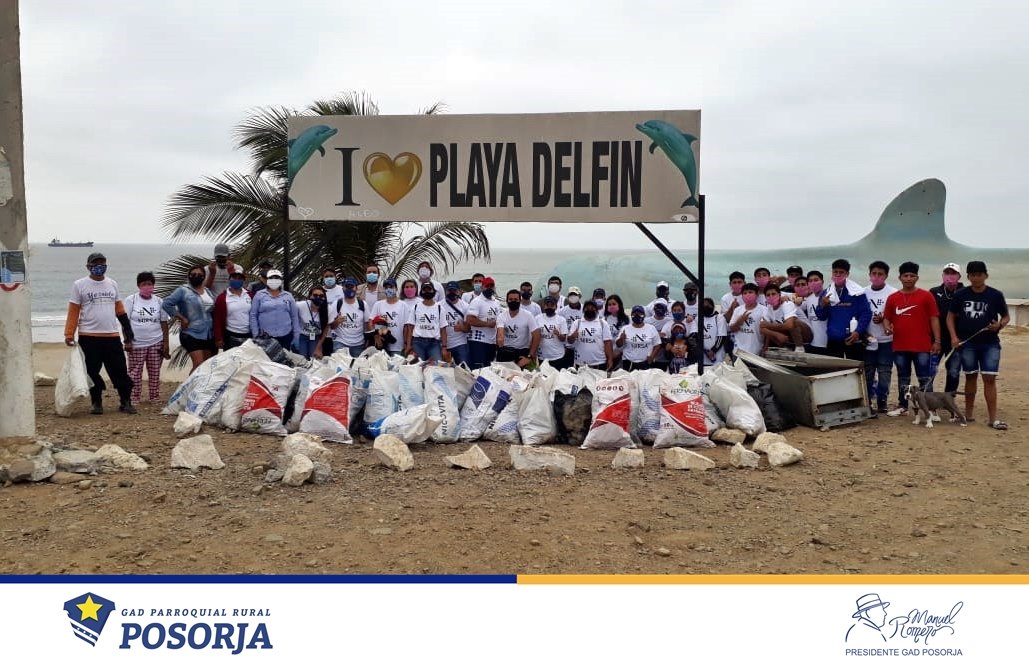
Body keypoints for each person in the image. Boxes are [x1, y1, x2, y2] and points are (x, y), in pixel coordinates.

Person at [64, 252, 137, 414]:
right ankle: (96, 402)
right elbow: (73, 311)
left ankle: (125, 401)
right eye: (95, 263)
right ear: (88, 266)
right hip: (88, 336)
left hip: (112, 336)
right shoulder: (79, 285)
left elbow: (120, 311)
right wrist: (69, 334)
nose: (99, 266)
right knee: (91, 371)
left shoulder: (112, 284)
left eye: (102, 263)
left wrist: (128, 335)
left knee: (119, 370)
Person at [946, 261, 1010, 429]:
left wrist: (999, 325)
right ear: (968, 277)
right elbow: (950, 317)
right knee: (970, 377)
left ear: (986, 275)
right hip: (967, 344)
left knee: (989, 379)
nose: (976, 278)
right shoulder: (960, 294)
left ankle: (993, 418)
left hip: (990, 344)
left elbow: (1006, 316)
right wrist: (954, 337)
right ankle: (968, 415)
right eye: (972, 275)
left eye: (979, 275)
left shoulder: (995, 295)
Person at [882, 261, 940, 417]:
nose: (908, 278)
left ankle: (931, 409)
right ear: (900, 278)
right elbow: (886, 318)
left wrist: (937, 341)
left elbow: (934, 318)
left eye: (912, 276)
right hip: (900, 346)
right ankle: (903, 406)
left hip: (922, 346)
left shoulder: (926, 296)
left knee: (924, 378)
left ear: (917, 278)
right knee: (903, 378)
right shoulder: (893, 298)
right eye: (905, 276)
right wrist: (887, 327)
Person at [123, 271, 170, 405]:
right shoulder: (131, 300)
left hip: (156, 341)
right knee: (134, 372)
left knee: (155, 371)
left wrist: (166, 343)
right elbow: (125, 322)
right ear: (138, 285)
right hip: (136, 343)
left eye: (149, 284)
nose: (147, 286)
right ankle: (134, 397)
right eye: (144, 284)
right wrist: (127, 341)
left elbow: (164, 323)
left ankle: (154, 396)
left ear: (153, 285)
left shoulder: (159, 301)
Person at [162, 264, 217, 373]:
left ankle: (201, 385)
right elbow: (166, 304)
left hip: (208, 334)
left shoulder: (207, 291)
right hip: (191, 333)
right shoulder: (183, 290)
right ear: (189, 276)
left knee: (207, 366)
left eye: (200, 275)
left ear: (204, 277)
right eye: (193, 274)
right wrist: (181, 318)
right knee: (198, 365)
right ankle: (190, 384)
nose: (196, 276)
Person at [815, 259, 871, 360]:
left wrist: (858, 331)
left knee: (856, 368)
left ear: (847, 274)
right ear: (832, 272)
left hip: (853, 338)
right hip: (833, 339)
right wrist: (822, 305)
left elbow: (866, 313)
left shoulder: (857, 292)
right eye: (835, 272)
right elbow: (821, 317)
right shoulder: (826, 293)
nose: (838, 275)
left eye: (841, 272)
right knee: (833, 368)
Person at [863, 261, 898, 416]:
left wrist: (885, 319)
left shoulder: (893, 293)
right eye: (874, 273)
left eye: (880, 274)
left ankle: (882, 401)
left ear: (886, 276)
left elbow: (898, 316)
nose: (877, 277)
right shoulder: (862, 292)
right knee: (868, 372)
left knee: (885, 372)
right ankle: (868, 401)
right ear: (869, 275)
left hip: (886, 341)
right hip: (868, 340)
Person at [929, 262, 965, 393]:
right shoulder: (934, 292)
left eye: (953, 273)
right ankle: (928, 397)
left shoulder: (966, 292)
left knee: (953, 371)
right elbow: (930, 315)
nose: (950, 276)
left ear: (959, 276)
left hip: (956, 340)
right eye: (947, 273)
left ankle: (949, 398)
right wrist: (935, 340)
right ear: (943, 275)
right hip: (936, 339)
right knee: (930, 371)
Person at [249, 269, 300, 351]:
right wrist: (256, 334)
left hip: (285, 336)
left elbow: (294, 316)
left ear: (281, 280)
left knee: (284, 357)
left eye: (277, 278)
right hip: (265, 337)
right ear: (267, 280)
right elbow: (253, 315)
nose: (274, 280)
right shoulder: (259, 295)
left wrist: (296, 335)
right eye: (271, 278)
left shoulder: (288, 296)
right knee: (267, 358)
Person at [567, 296, 613, 370]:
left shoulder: (602, 323)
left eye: (592, 308)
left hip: (599, 363)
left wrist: (610, 359)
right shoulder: (577, 323)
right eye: (587, 308)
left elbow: (607, 343)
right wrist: (573, 336)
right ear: (583, 310)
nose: (589, 309)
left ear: (597, 310)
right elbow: (569, 341)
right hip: (580, 364)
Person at [496, 289, 541, 367]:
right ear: (507, 301)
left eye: (516, 299)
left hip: (522, 352)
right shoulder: (501, 316)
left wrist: (530, 356)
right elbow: (500, 333)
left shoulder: (528, 315)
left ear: (520, 301)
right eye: (510, 299)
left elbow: (537, 335)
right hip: (506, 350)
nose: (513, 301)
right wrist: (500, 343)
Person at [405, 281, 447, 362]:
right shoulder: (416, 307)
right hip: (418, 343)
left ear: (434, 291)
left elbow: (443, 330)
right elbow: (410, 328)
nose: (427, 292)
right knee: (417, 366)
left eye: (429, 289)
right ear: (421, 292)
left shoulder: (440, 308)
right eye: (425, 290)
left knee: (436, 366)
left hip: (434, 343)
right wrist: (408, 345)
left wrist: (444, 348)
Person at [760, 284, 811, 352]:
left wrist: (769, 325)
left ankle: (799, 348)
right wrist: (776, 335)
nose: (771, 296)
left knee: (794, 322)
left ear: (779, 295)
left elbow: (790, 325)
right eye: (768, 295)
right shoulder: (768, 309)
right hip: (789, 336)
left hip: (806, 334)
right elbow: (762, 329)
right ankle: (785, 347)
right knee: (768, 328)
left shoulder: (787, 304)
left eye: (773, 294)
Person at [212, 270, 253, 351]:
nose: (236, 280)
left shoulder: (250, 295)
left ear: (243, 280)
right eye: (234, 278)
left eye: (239, 278)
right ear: (229, 279)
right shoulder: (222, 298)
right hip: (230, 335)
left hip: (249, 335)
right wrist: (218, 338)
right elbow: (217, 319)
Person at [466, 276, 501, 368]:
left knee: (489, 368)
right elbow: (470, 319)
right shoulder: (477, 301)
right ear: (482, 287)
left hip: (492, 341)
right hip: (478, 341)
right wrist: (487, 324)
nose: (489, 288)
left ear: (494, 287)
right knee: (478, 368)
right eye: (487, 286)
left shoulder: (496, 302)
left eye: (491, 286)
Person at [330, 277, 369, 357]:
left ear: (356, 288)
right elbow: (331, 326)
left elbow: (367, 323)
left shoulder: (363, 304)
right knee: (340, 364)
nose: (349, 289)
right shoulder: (336, 304)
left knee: (357, 364)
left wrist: (368, 340)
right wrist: (337, 321)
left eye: (352, 286)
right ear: (343, 288)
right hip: (340, 342)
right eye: (347, 286)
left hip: (358, 344)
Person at [369, 278, 408, 357]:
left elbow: (406, 326)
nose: (388, 289)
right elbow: (370, 322)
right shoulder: (378, 304)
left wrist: (406, 343)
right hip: (381, 345)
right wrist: (376, 336)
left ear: (396, 288)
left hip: (398, 346)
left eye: (391, 287)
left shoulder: (403, 305)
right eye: (386, 288)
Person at [616, 305, 661, 371]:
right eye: (634, 313)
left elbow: (657, 344)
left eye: (640, 313)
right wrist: (621, 338)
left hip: (645, 363)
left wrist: (652, 356)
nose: (637, 315)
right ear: (631, 315)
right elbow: (618, 345)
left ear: (644, 315)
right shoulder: (625, 328)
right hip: (629, 362)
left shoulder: (651, 328)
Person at [728, 283, 768, 356]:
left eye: (750, 292)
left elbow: (767, 333)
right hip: (738, 352)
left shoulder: (764, 310)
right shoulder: (738, 310)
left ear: (757, 294)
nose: (747, 295)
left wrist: (765, 348)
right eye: (745, 293)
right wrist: (739, 322)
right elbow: (731, 329)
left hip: (756, 353)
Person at [294, 286, 331, 359]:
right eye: (315, 295)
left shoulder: (328, 309)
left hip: (316, 337)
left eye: (321, 296)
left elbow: (325, 330)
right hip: (302, 336)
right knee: (302, 358)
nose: (318, 297)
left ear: (324, 298)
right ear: (310, 296)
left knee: (314, 358)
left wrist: (318, 348)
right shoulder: (300, 305)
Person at [441, 281, 471, 365]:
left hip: (460, 343)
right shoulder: (439, 305)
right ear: (445, 292)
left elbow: (468, 328)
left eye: (454, 291)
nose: (452, 293)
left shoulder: (465, 306)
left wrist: (462, 328)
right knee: (443, 369)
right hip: (443, 344)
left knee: (463, 368)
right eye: (449, 291)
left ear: (459, 292)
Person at [801, 271, 829, 355]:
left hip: (827, 343)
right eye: (810, 281)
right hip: (812, 342)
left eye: (816, 280)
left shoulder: (828, 296)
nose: (813, 283)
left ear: (822, 282)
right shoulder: (808, 299)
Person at [535, 295, 568, 369]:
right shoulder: (537, 318)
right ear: (544, 306)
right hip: (542, 356)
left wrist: (558, 334)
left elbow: (563, 339)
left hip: (557, 356)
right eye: (547, 305)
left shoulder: (561, 320)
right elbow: (534, 336)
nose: (549, 307)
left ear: (556, 307)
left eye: (552, 305)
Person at [557, 286, 584, 369]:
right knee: (567, 371)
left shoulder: (585, 309)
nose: (573, 297)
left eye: (575, 295)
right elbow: (559, 328)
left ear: (580, 296)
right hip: (568, 347)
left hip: (582, 346)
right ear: (568, 297)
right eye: (571, 295)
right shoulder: (562, 311)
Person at [700, 297, 727, 366]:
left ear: (712, 306)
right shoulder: (698, 318)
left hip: (717, 358)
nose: (706, 306)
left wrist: (713, 350)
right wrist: (704, 350)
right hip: (702, 358)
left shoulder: (719, 318)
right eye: (703, 305)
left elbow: (722, 336)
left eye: (708, 305)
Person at [605, 293, 630, 367]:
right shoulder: (605, 319)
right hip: (608, 353)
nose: (611, 306)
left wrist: (619, 352)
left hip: (622, 354)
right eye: (609, 305)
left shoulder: (627, 320)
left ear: (619, 305)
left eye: (614, 304)